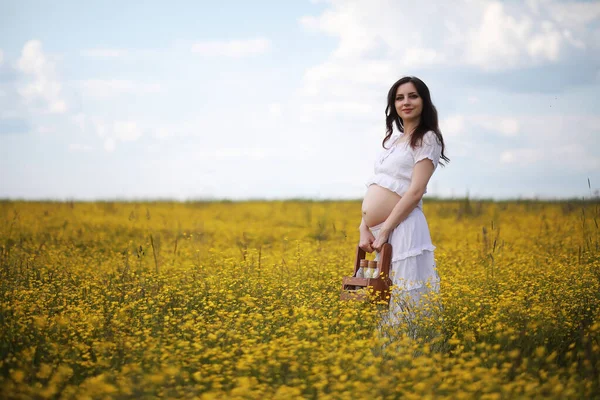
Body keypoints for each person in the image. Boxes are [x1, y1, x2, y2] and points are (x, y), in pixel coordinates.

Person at [359, 76, 449, 328]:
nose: (406, 102)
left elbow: (416, 190)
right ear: (393, 104)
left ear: (424, 101)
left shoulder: (427, 138)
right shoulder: (393, 141)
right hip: (380, 231)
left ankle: (411, 353)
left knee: (404, 293)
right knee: (384, 296)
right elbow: (380, 183)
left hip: (403, 226)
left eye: (413, 96)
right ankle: (388, 357)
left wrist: (386, 229)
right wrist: (363, 227)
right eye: (399, 98)